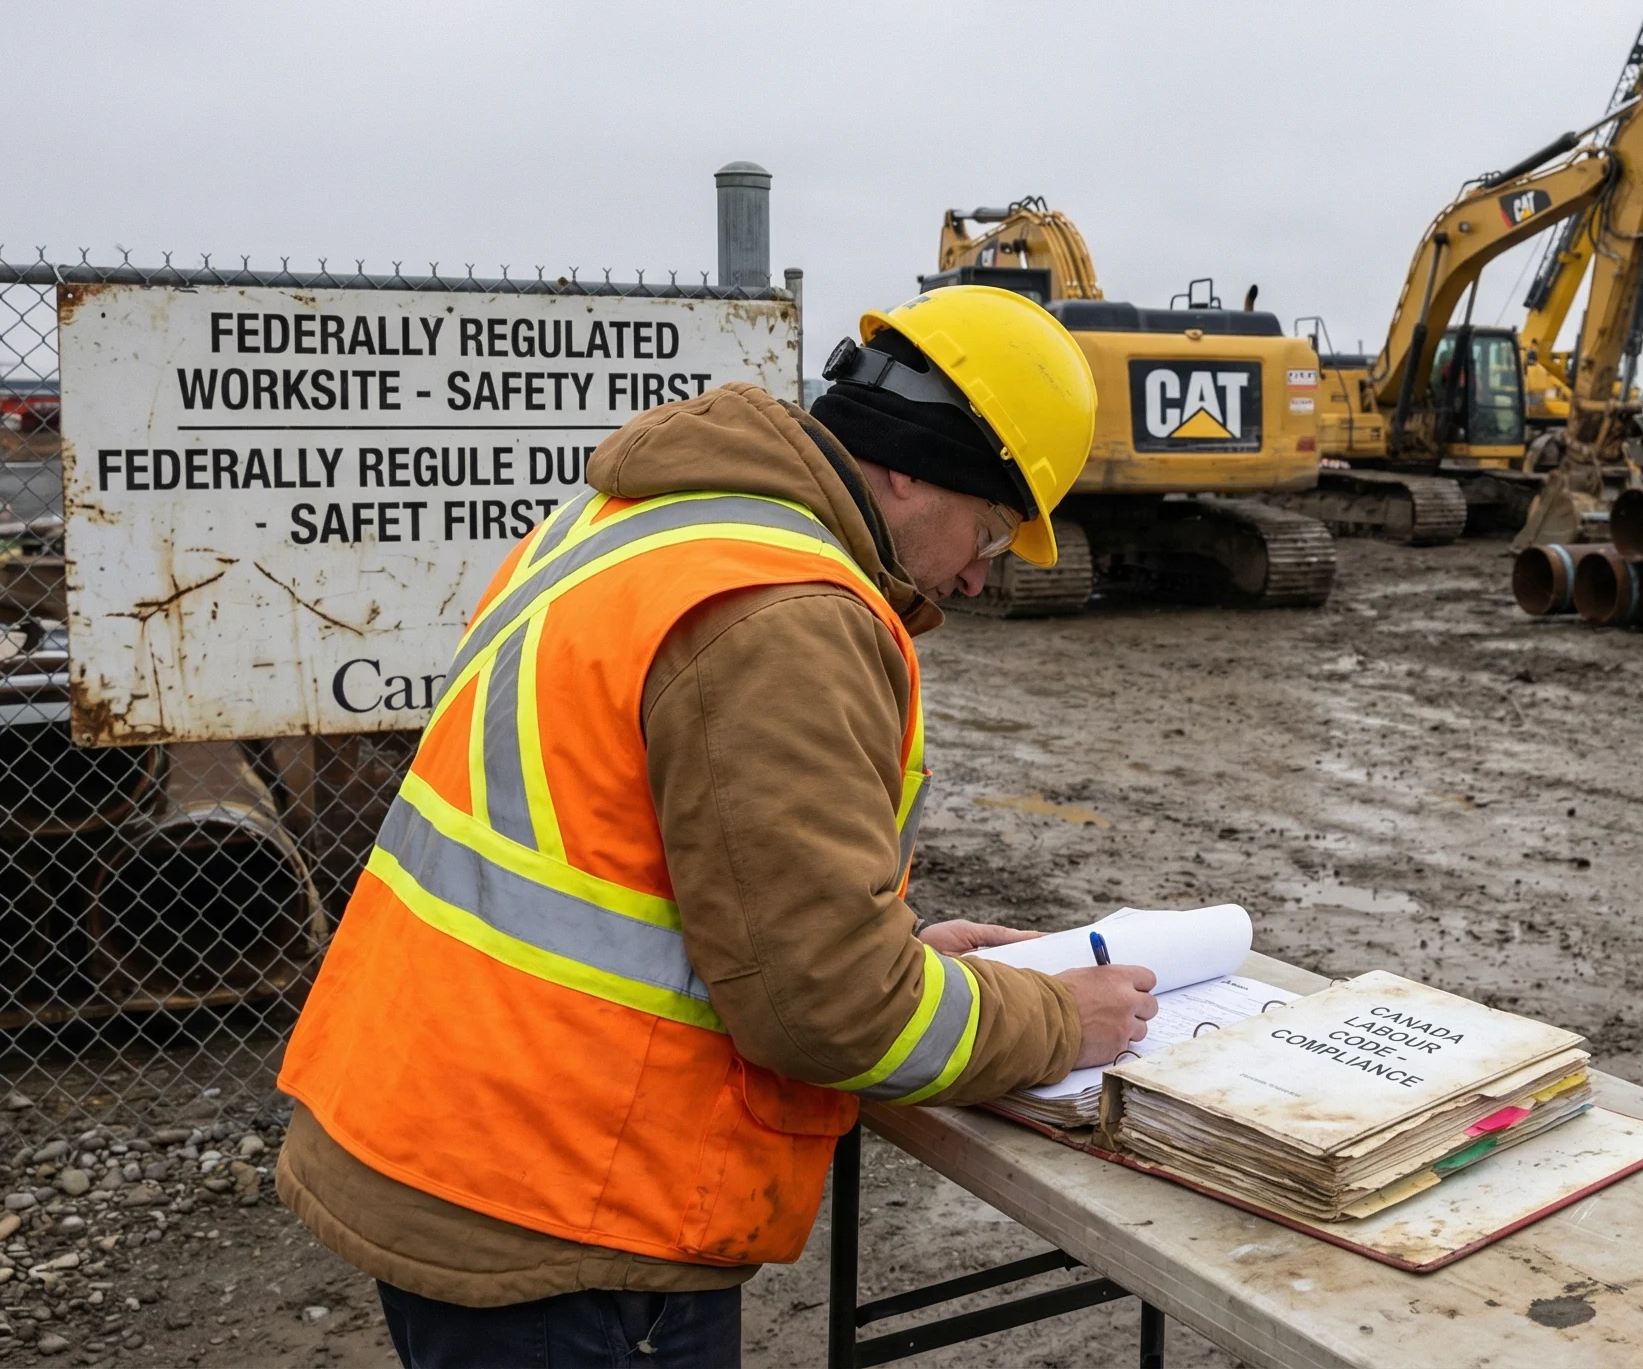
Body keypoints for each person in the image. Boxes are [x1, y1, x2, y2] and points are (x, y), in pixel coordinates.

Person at [276, 287, 1158, 1368]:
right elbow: (828, 1012)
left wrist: (903, 954)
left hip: (452, 1127)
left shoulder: (639, 524)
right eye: (986, 531)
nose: (979, 574)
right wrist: (1056, 1022)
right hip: (569, 1211)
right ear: (915, 466)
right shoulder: (785, 611)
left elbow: (636, 864)